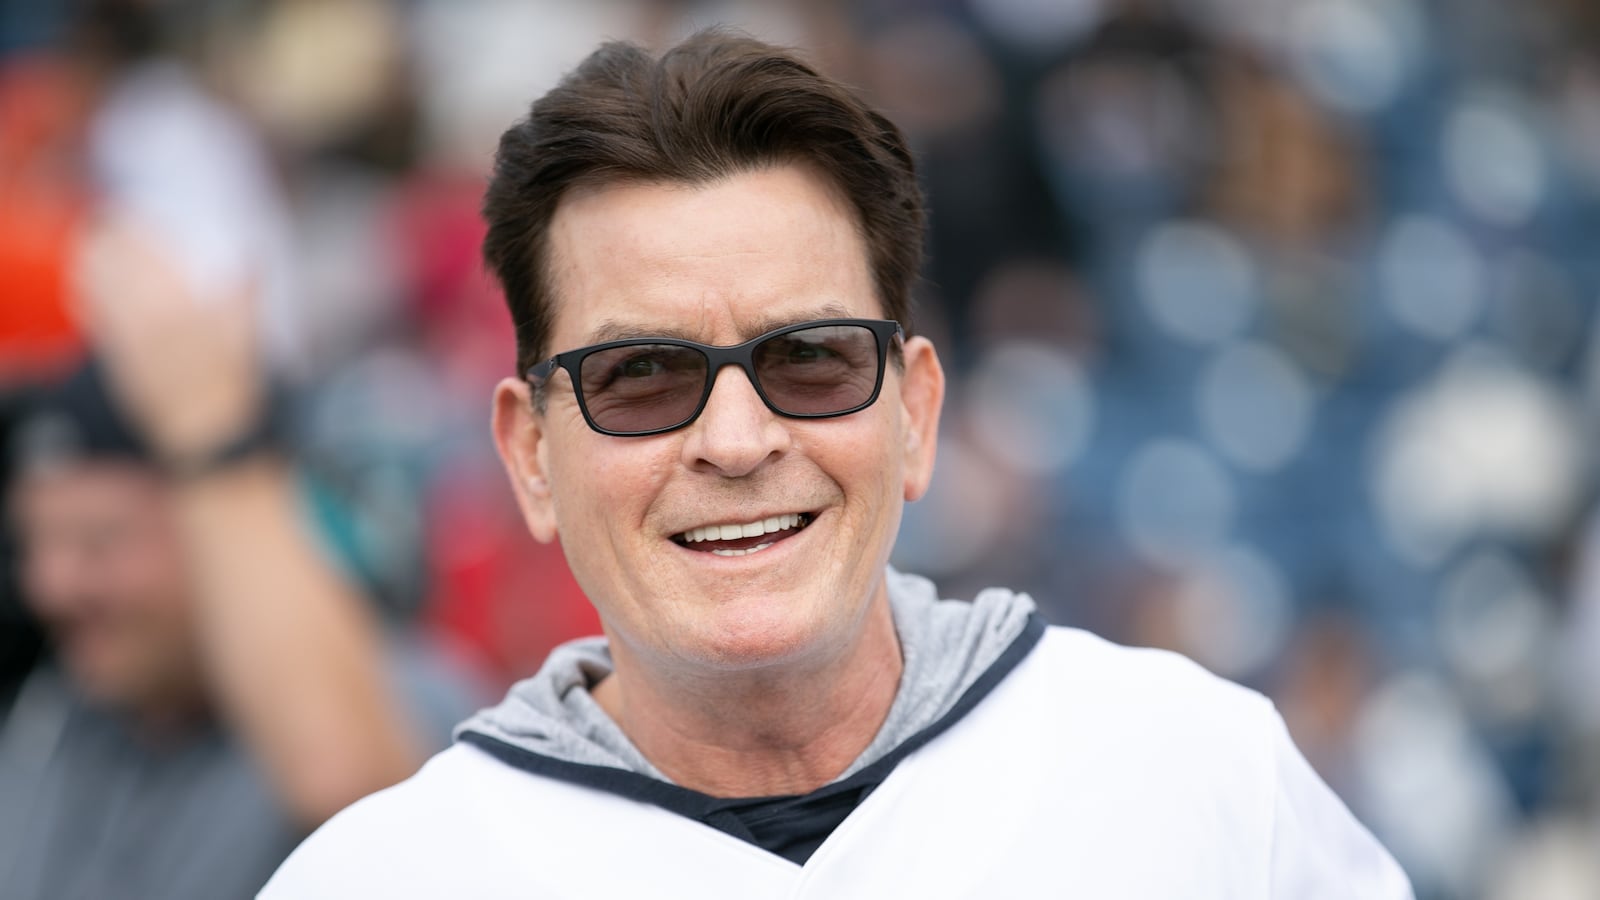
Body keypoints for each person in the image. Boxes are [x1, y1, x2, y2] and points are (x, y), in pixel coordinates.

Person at [261, 30, 1412, 898]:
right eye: (643, 378)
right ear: (530, 456)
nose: (735, 439)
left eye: (809, 359)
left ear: (915, 414)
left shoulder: (1192, 770)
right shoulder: (381, 879)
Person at [0, 224, 479, 899]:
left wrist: (211, 432)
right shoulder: (61, 719)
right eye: (33, 545)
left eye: (100, 542)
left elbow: (354, 791)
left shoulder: (406, 690)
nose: (52, 584)